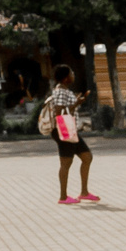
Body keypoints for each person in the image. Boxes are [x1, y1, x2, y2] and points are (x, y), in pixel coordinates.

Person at [46, 65, 96, 204]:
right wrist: (76, 104)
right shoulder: (61, 91)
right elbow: (59, 112)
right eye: (72, 73)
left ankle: (84, 192)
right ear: (66, 77)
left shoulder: (65, 90)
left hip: (69, 128)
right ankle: (63, 197)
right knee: (66, 162)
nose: (74, 75)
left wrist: (76, 102)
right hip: (63, 128)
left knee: (87, 157)